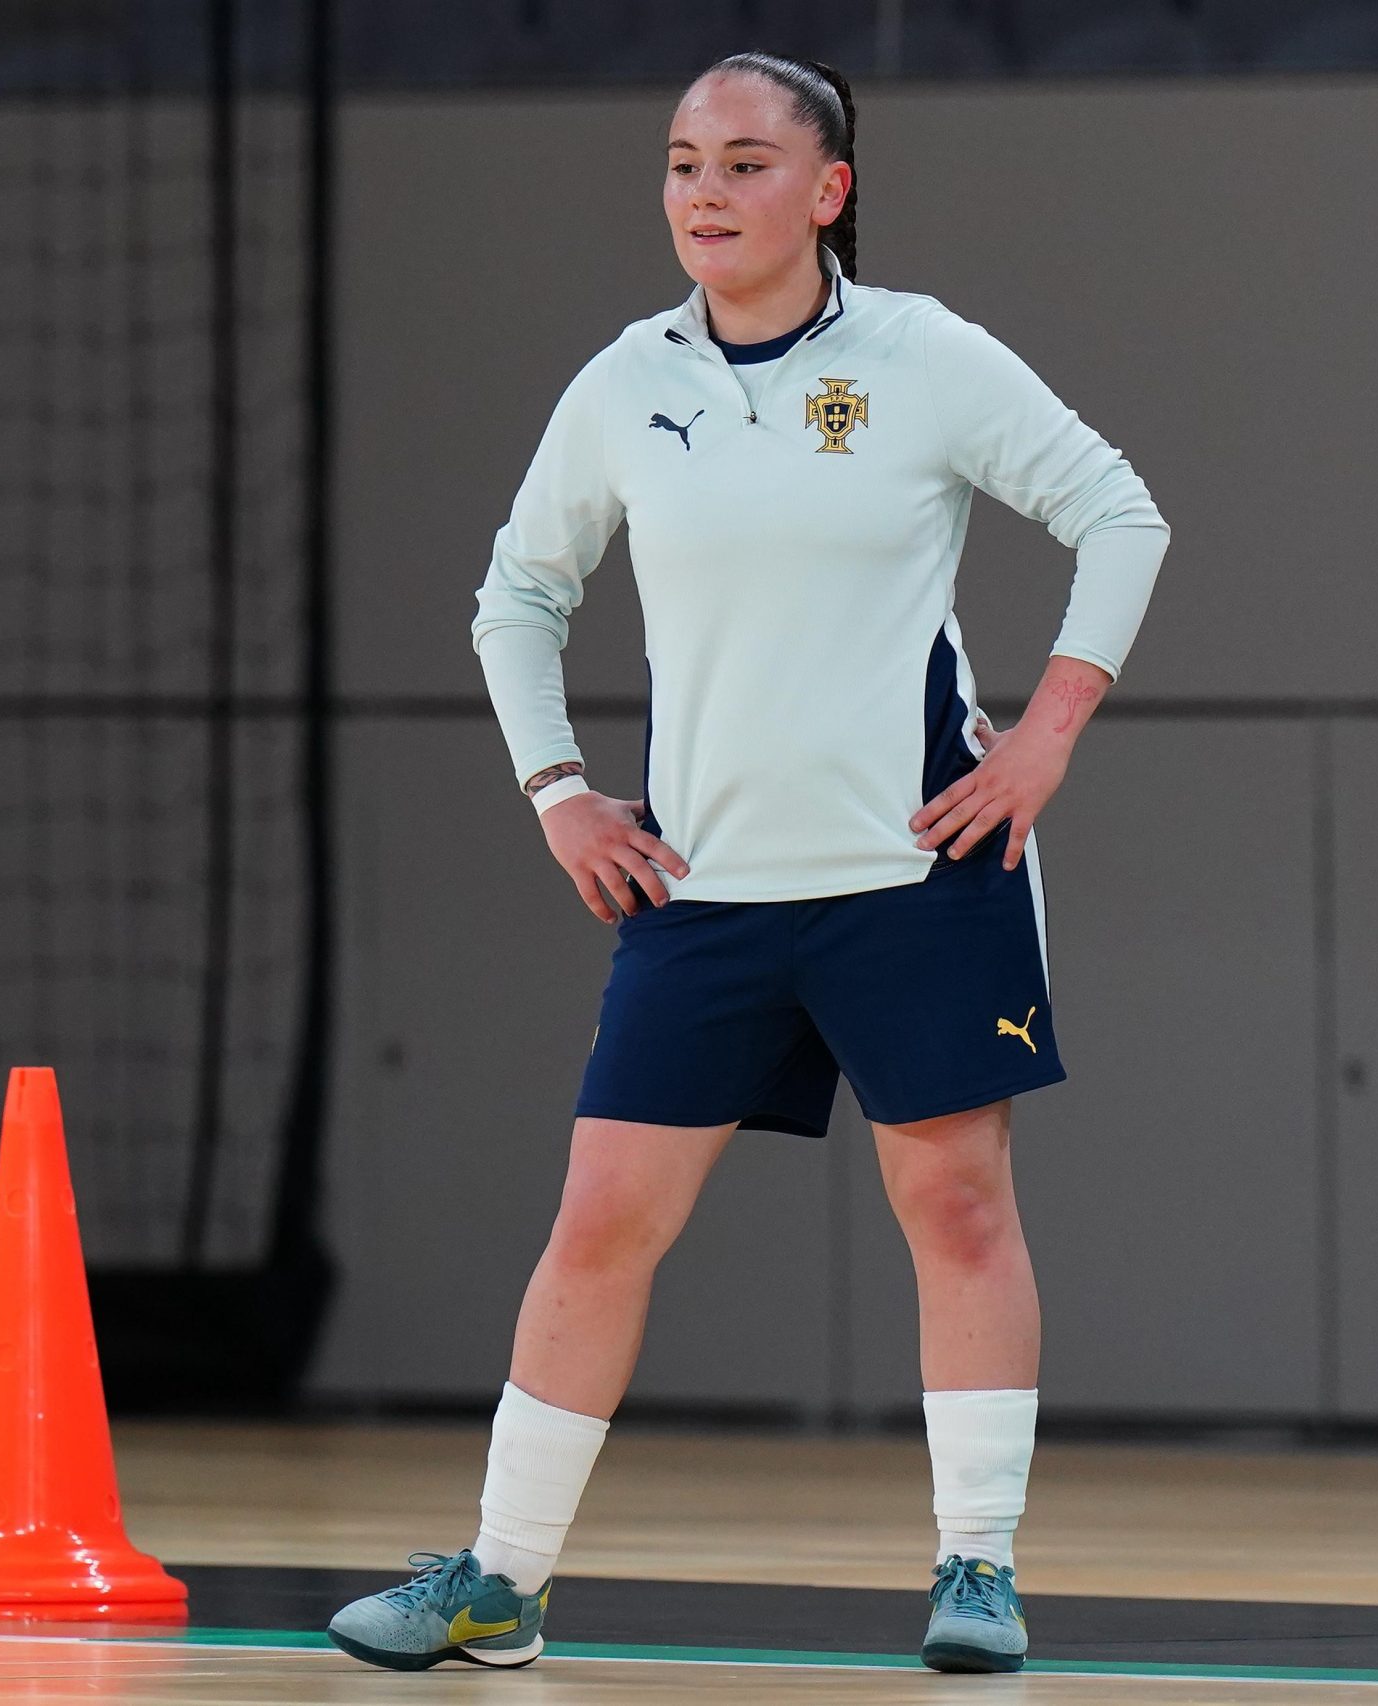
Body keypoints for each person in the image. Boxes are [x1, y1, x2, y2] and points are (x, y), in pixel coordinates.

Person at [327, 49, 1167, 1676]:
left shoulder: (924, 355)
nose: (705, 195)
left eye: (745, 165)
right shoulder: (623, 382)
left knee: (956, 1202)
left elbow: (1118, 512)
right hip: (702, 891)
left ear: (828, 188)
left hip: (918, 867)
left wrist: (1047, 734)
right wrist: (562, 789)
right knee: (598, 1225)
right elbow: (518, 594)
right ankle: (501, 1581)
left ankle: (976, 1567)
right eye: (682, 164)